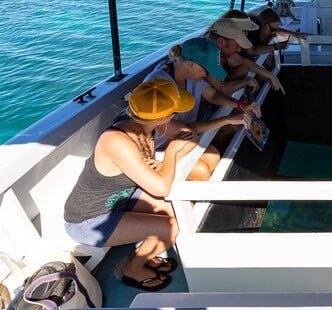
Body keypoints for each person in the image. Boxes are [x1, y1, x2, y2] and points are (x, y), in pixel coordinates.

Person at [64, 79, 198, 291]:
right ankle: (132, 267)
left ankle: (145, 252)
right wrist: (171, 152)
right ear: (164, 116)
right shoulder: (116, 140)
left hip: (123, 200)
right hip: (90, 219)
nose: (175, 115)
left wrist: (165, 161)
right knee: (175, 226)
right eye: (174, 112)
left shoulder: (147, 124)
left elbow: (189, 136)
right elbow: (161, 188)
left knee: (186, 209)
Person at [145, 37, 253, 181]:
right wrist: (227, 119)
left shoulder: (189, 75)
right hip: (162, 147)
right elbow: (185, 129)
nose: (208, 76)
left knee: (213, 156)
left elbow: (214, 96)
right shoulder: (159, 86)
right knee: (203, 171)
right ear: (191, 64)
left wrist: (240, 105)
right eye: (207, 71)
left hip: (187, 138)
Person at [207, 17, 285, 93]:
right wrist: (248, 80)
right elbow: (223, 88)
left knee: (244, 68)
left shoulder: (218, 50)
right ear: (221, 42)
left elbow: (243, 61)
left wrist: (271, 76)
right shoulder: (206, 58)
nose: (239, 50)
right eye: (237, 45)